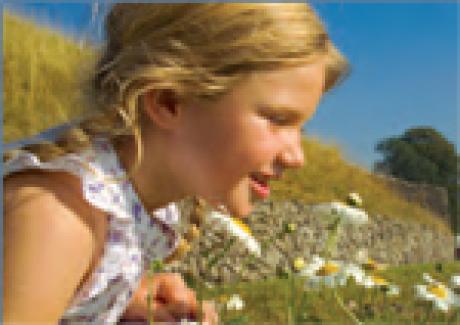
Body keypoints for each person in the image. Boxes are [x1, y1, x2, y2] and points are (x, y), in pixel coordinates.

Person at [3, 3, 348, 324]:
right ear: (169, 102)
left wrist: (123, 298)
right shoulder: (60, 217)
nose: (297, 157)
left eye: (300, 128)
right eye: (277, 119)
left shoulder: (126, 207)